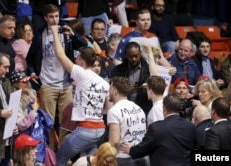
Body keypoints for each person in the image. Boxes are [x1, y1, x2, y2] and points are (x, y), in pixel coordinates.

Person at [26, 4, 87, 149]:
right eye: (51, 17)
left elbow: (85, 46)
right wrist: (32, 71)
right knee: (48, 123)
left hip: (66, 84)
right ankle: (50, 155)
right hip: (47, 84)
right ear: (45, 18)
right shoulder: (40, 35)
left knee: (67, 124)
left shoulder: (66, 33)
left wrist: (74, 35)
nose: (54, 20)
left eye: (57, 16)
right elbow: (30, 58)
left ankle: (63, 155)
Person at [49, 24, 110, 166]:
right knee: (90, 163)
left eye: (77, 58)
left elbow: (60, 55)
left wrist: (54, 32)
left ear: (82, 61)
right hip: (100, 129)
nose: (75, 60)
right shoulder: (104, 82)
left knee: (61, 158)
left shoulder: (82, 74)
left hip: (85, 129)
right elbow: (107, 108)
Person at [120, 94, 196, 166]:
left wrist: (131, 149)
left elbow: (144, 148)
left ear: (164, 108)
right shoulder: (191, 126)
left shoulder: (156, 127)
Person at [107, 76, 147, 166]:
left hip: (123, 158)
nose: (108, 92)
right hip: (141, 156)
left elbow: (114, 141)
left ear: (115, 92)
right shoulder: (138, 108)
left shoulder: (114, 111)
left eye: (110, 88)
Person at [111, 42, 157, 115]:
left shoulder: (149, 70)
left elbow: (157, 84)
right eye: (131, 56)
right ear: (126, 55)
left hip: (144, 110)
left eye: (136, 56)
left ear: (140, 53)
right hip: (124, 110)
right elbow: (113, 91)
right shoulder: (118, 70)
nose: (134, 59)